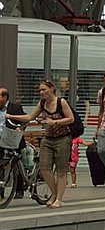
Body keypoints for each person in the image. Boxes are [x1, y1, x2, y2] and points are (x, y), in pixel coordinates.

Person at [7, 79, 77, 208]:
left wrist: (54, 122)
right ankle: (54, 194)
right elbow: (30, 117)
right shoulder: (42, 103)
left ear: (52, 89)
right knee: (44, 168)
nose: (41, 92)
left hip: (63, 138)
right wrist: (11, 116)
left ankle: (58, 199)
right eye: (40, 90)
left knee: (61, 171)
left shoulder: (61, 102)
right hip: (48, 138)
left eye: (44, 89)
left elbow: (71, 118)